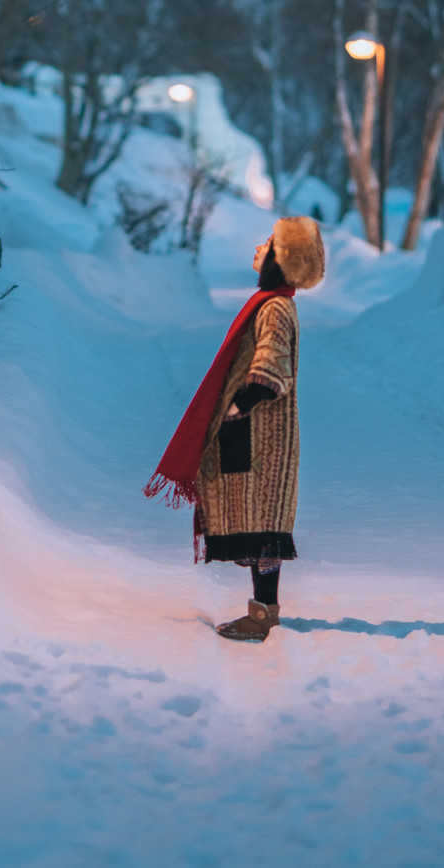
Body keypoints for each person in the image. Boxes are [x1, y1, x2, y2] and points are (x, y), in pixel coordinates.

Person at [145, 215, 325, 642]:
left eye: (268, 244)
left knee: (264, 527)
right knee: (258, 522)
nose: (258, 249)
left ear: (283, 260)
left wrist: (238, 408)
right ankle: (263, 612)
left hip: (261, 435)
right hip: (253, 433)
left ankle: (263, 616)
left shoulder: (276, 307)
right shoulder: (271, 301)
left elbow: (273, 369)